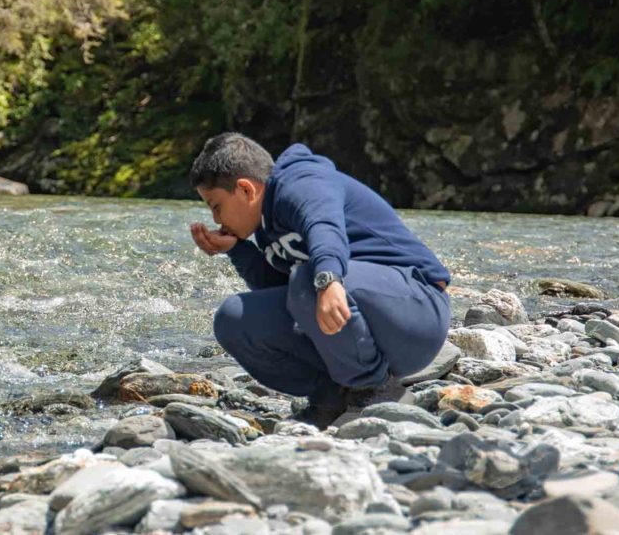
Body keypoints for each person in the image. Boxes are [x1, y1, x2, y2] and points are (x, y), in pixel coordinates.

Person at [188, 133, 451, 428]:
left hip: (418, 312)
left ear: (246, 190)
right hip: (363, 320)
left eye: (216, 206)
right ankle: (333, 397)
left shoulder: (302, 182)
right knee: (234, 318)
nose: (216, 219)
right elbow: (280, 293)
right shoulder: (265, 227)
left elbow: (323, 227)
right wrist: (237, 250)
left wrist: (327, 279)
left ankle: (375, 389)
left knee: (308, 278)